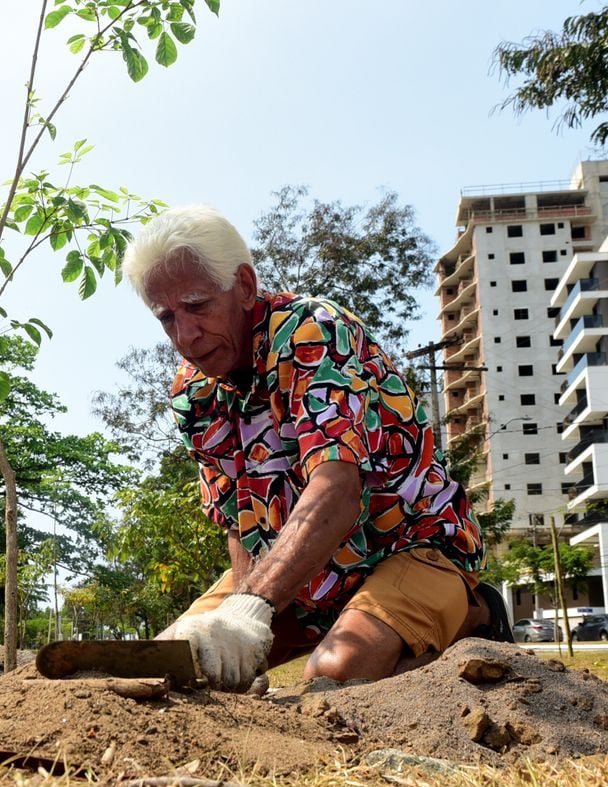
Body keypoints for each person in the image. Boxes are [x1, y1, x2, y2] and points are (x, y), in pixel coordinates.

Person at [121, 204, 511, 691]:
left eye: (197, 306)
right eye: (166, 318)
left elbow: (338, 488)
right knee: (168, 663)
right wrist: (242, 631)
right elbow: (241, 524)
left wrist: (250, 609)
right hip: (303, 575)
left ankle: (475, 616)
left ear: (244, 286)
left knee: (336, 673)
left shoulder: (312, 334)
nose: (185, 335)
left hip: (409, 546)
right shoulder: (194, 393)